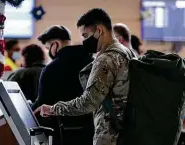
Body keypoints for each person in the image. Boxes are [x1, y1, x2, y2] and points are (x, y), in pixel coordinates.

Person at [35, 8, 136, 145]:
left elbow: (88, 102)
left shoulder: (105, 59)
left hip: (109, 135)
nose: (84, 41)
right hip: (126, 131)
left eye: (85, 35)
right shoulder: (126, 52)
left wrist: (53, 109)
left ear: (99, 31)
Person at [32, 25, 94, 145]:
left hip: (64, 135)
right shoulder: (92, 61)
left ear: (55, 44)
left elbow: (43, 104)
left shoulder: (52, 68)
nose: (48, 52)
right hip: (93, 132)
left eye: (47, 48)